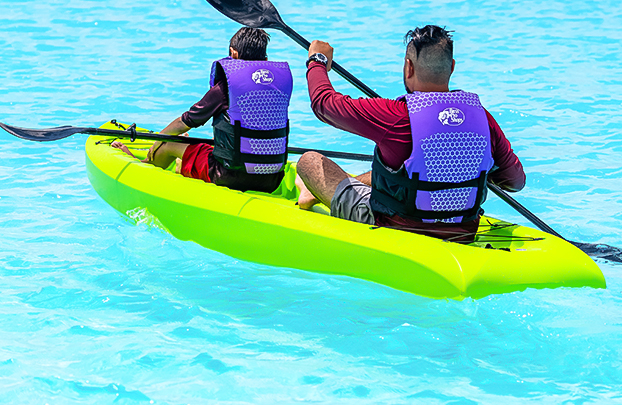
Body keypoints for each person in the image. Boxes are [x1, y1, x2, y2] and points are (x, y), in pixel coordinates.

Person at [296, 25, 525, 242]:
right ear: (452, 67)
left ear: (409, 67)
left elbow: (324, 105)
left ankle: (313, 193)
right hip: (463, 233)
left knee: (309, 161)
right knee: (394, 169)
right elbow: (515, 182)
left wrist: (317, 60)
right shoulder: (483, 119)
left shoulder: (395, 115)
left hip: (393, 228)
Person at [112, 27, 293, 193]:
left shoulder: (225, 89)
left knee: (171, 142)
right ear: (266, 60)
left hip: (228, 176)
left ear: (233, 54)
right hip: (271, 179)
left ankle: (144, 165)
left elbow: (186, 121)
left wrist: (159, 140)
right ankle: (180, 166)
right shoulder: (280, 87)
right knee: (206, 146)